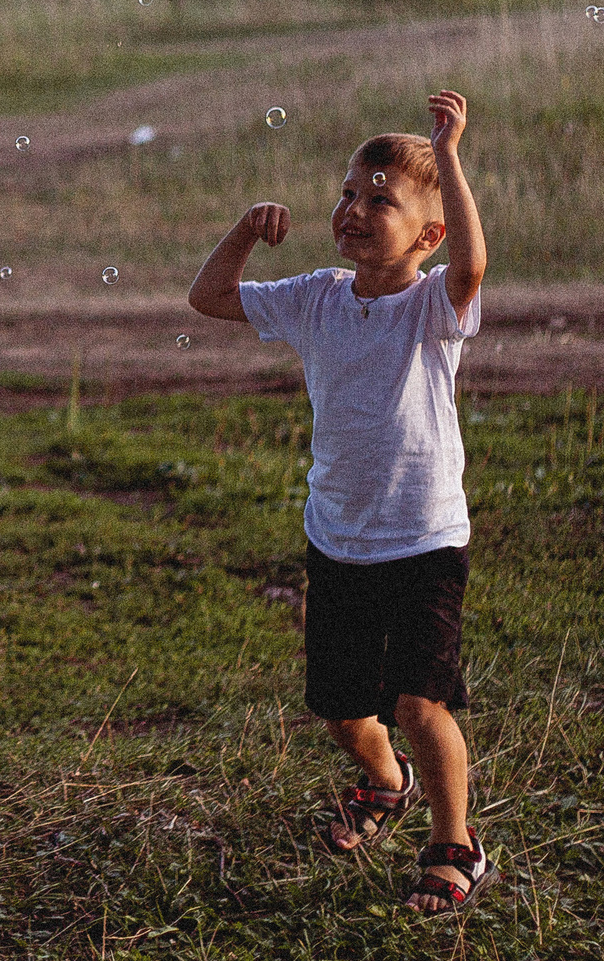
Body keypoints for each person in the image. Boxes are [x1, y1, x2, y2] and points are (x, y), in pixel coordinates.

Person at [184, 91, 493, 915]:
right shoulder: (318, 294)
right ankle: (384, 782)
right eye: (348, 193)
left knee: (420, 702)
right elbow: (209, 297)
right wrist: (247, 230)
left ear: (428, 233)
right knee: (343, 707)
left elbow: (471, 267)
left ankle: (453, 841)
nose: (353, 210)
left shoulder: (435, 305)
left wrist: (449, 155)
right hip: (340, 538)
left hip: (423, 536)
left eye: (379, 199)